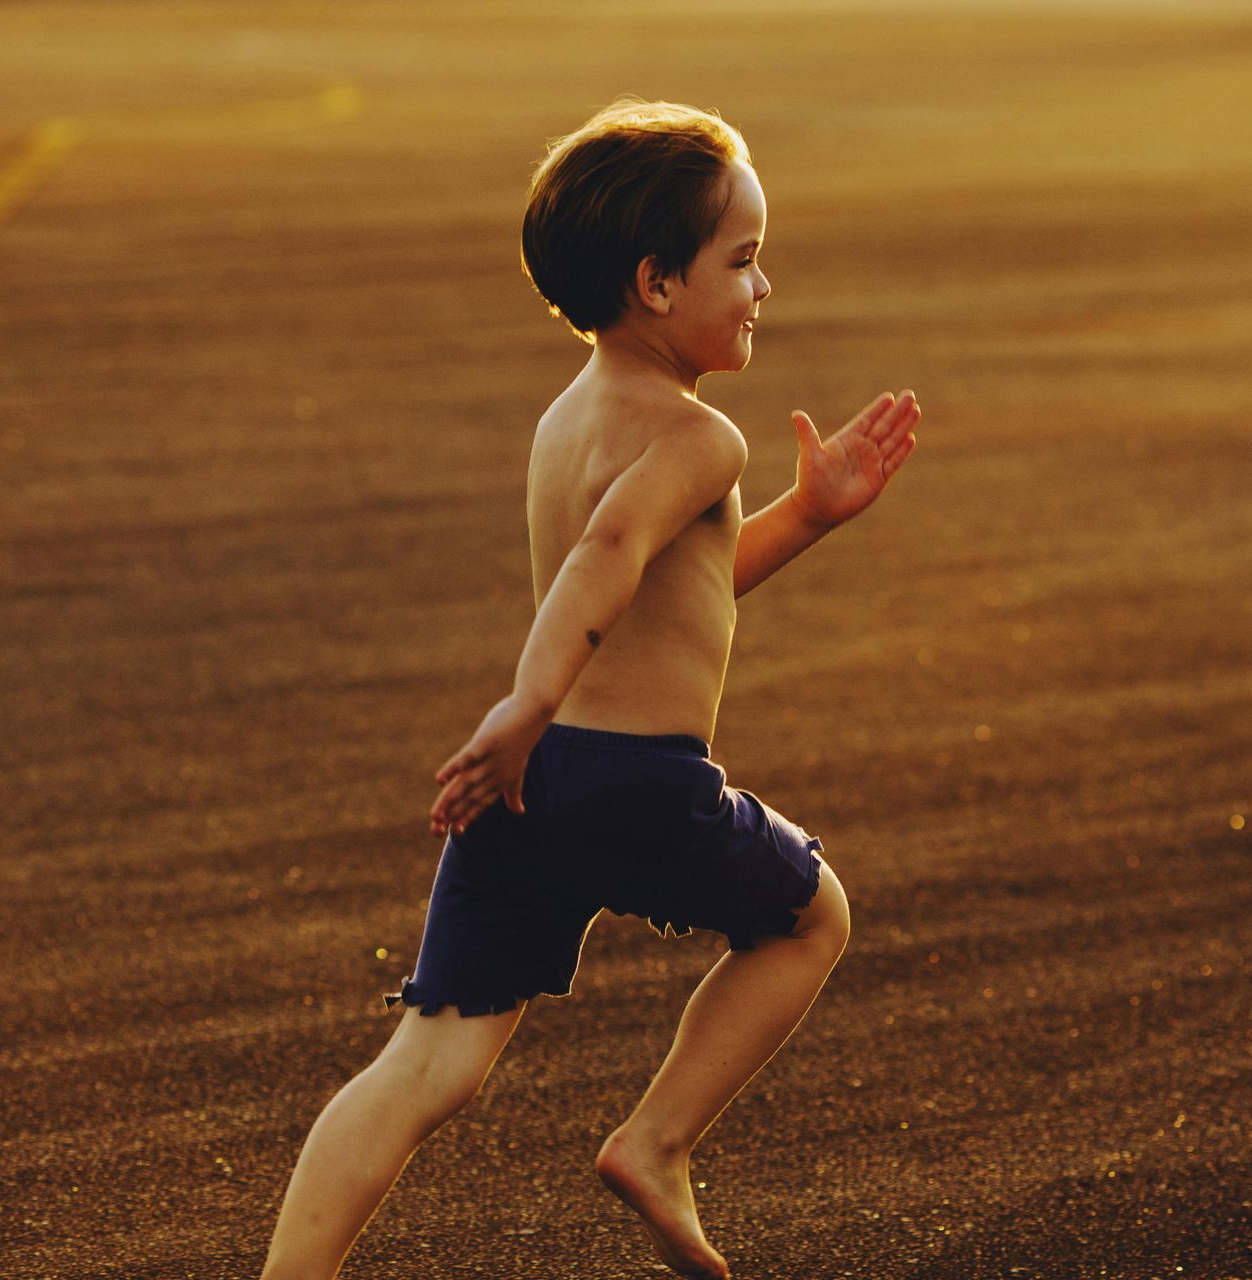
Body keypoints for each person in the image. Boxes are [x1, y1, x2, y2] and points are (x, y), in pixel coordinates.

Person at [261, 96, 921, 1280]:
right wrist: (523, 697)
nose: (764, 288)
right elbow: (610, 557)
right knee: (811, 918)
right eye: (746, 260)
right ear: (659, 283)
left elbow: (673, 586)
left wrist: (812, 514)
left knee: (425, 1065)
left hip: (544, 778)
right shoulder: (700, 434)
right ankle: (657, 1140)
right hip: (637, 779)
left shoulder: (564, 421)